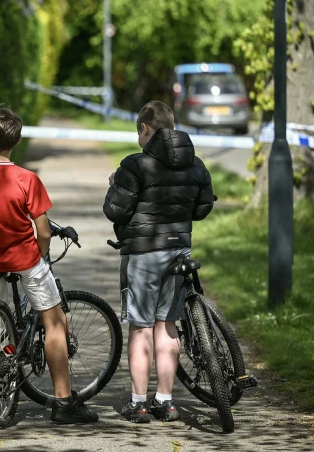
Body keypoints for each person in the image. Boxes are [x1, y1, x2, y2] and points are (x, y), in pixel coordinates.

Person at [0, 105, 99, 425]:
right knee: (55, 322)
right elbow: (43, 230)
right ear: (16, 141)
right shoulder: (27, 179)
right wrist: (41, 256)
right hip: (25, 259)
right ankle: (63, 401)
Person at [103, 101, 213, 423]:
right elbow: (202, 208)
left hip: (142, 254)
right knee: (167, 327)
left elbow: (115, 211)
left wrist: (115, 186)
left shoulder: (135, 165)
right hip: (178, 252)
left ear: (144, 129)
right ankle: (165, 401)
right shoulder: (197, 165)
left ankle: (138, 403)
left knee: (140, 328)